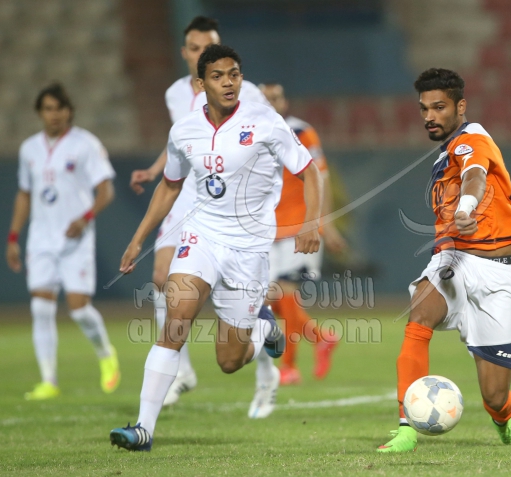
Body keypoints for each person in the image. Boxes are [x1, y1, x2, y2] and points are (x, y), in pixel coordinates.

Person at [109, 44, 323, 451]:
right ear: (200, 83)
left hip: (248, 250)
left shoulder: (265, 121)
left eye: (234, 74)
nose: (228, 82)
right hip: (201, 237)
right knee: (175, 322)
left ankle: (263, 329)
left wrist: (312, 223)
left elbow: (310, 172)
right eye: (218, 76)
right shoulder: (184, 130)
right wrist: (138, 239)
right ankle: (143, 428)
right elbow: (170, 186)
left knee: (229, 361)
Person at [377, 68, 511, 453]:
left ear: (461, 106)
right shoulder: (444, 156)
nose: (429, 116)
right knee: (420, 314)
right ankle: (406, 429)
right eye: (424, 109)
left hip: (498, 278)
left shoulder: (472, 140)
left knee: (495, 396)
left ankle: (504, 418)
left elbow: (475, 177)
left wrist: (467, 209)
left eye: (439, 107)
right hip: (455, 260)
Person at [128, 16, 275, 409]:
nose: (200, 54)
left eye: (207, 47)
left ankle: (262, 349)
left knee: (232, 326)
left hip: (227, 208)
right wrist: (155, 171)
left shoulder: (247, 92)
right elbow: (182, 142)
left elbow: (265, 141)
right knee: (162, 278)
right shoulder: (175, 94)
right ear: (185, 53)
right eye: (194, 49)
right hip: (185, 197)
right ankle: (181, 372)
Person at [6, 83, 120, 400]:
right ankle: (48, 381)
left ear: (69, 111)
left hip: (75, 239)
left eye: (59, 108)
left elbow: (106, 191)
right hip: (41, 239)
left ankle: (105, 353)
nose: (54, 114)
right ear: (39, 112)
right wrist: (13, 236)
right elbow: (24, 195)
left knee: (79, 310)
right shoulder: (29, 149)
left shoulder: (86, 144)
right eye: (48, 109)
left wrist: (85, 217)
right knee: (40, 308)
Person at [259, 83, 346, 385]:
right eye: (265, 98)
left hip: (300, 225)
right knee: (272, 299)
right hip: (269, 229)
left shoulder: (301, 131)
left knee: (286, 291)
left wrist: (326, 224)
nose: (271, 103)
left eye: (276, 97)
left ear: (284, 102)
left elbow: (320, 176)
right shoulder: (250, 134)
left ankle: (289, 366)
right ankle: (321, 338)